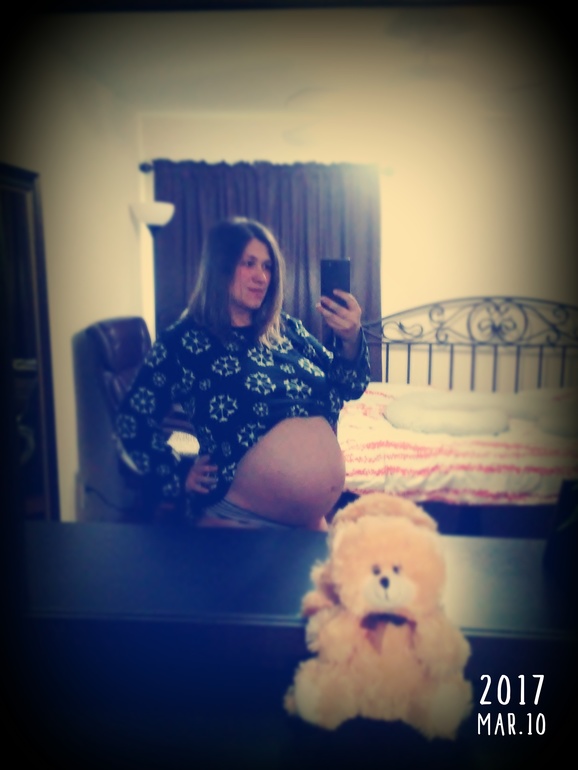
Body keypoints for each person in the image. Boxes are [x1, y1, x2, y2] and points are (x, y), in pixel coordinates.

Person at [115, 217, 370, 530]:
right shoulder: (186, 340)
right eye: (248, 263)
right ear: (220, 267)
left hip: (310, 524)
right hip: (239, 520)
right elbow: (132, 419)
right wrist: (177, 472)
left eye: (267, 267)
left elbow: (348, 386)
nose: (261, 277)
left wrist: (350, 338)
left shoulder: (286, 329)